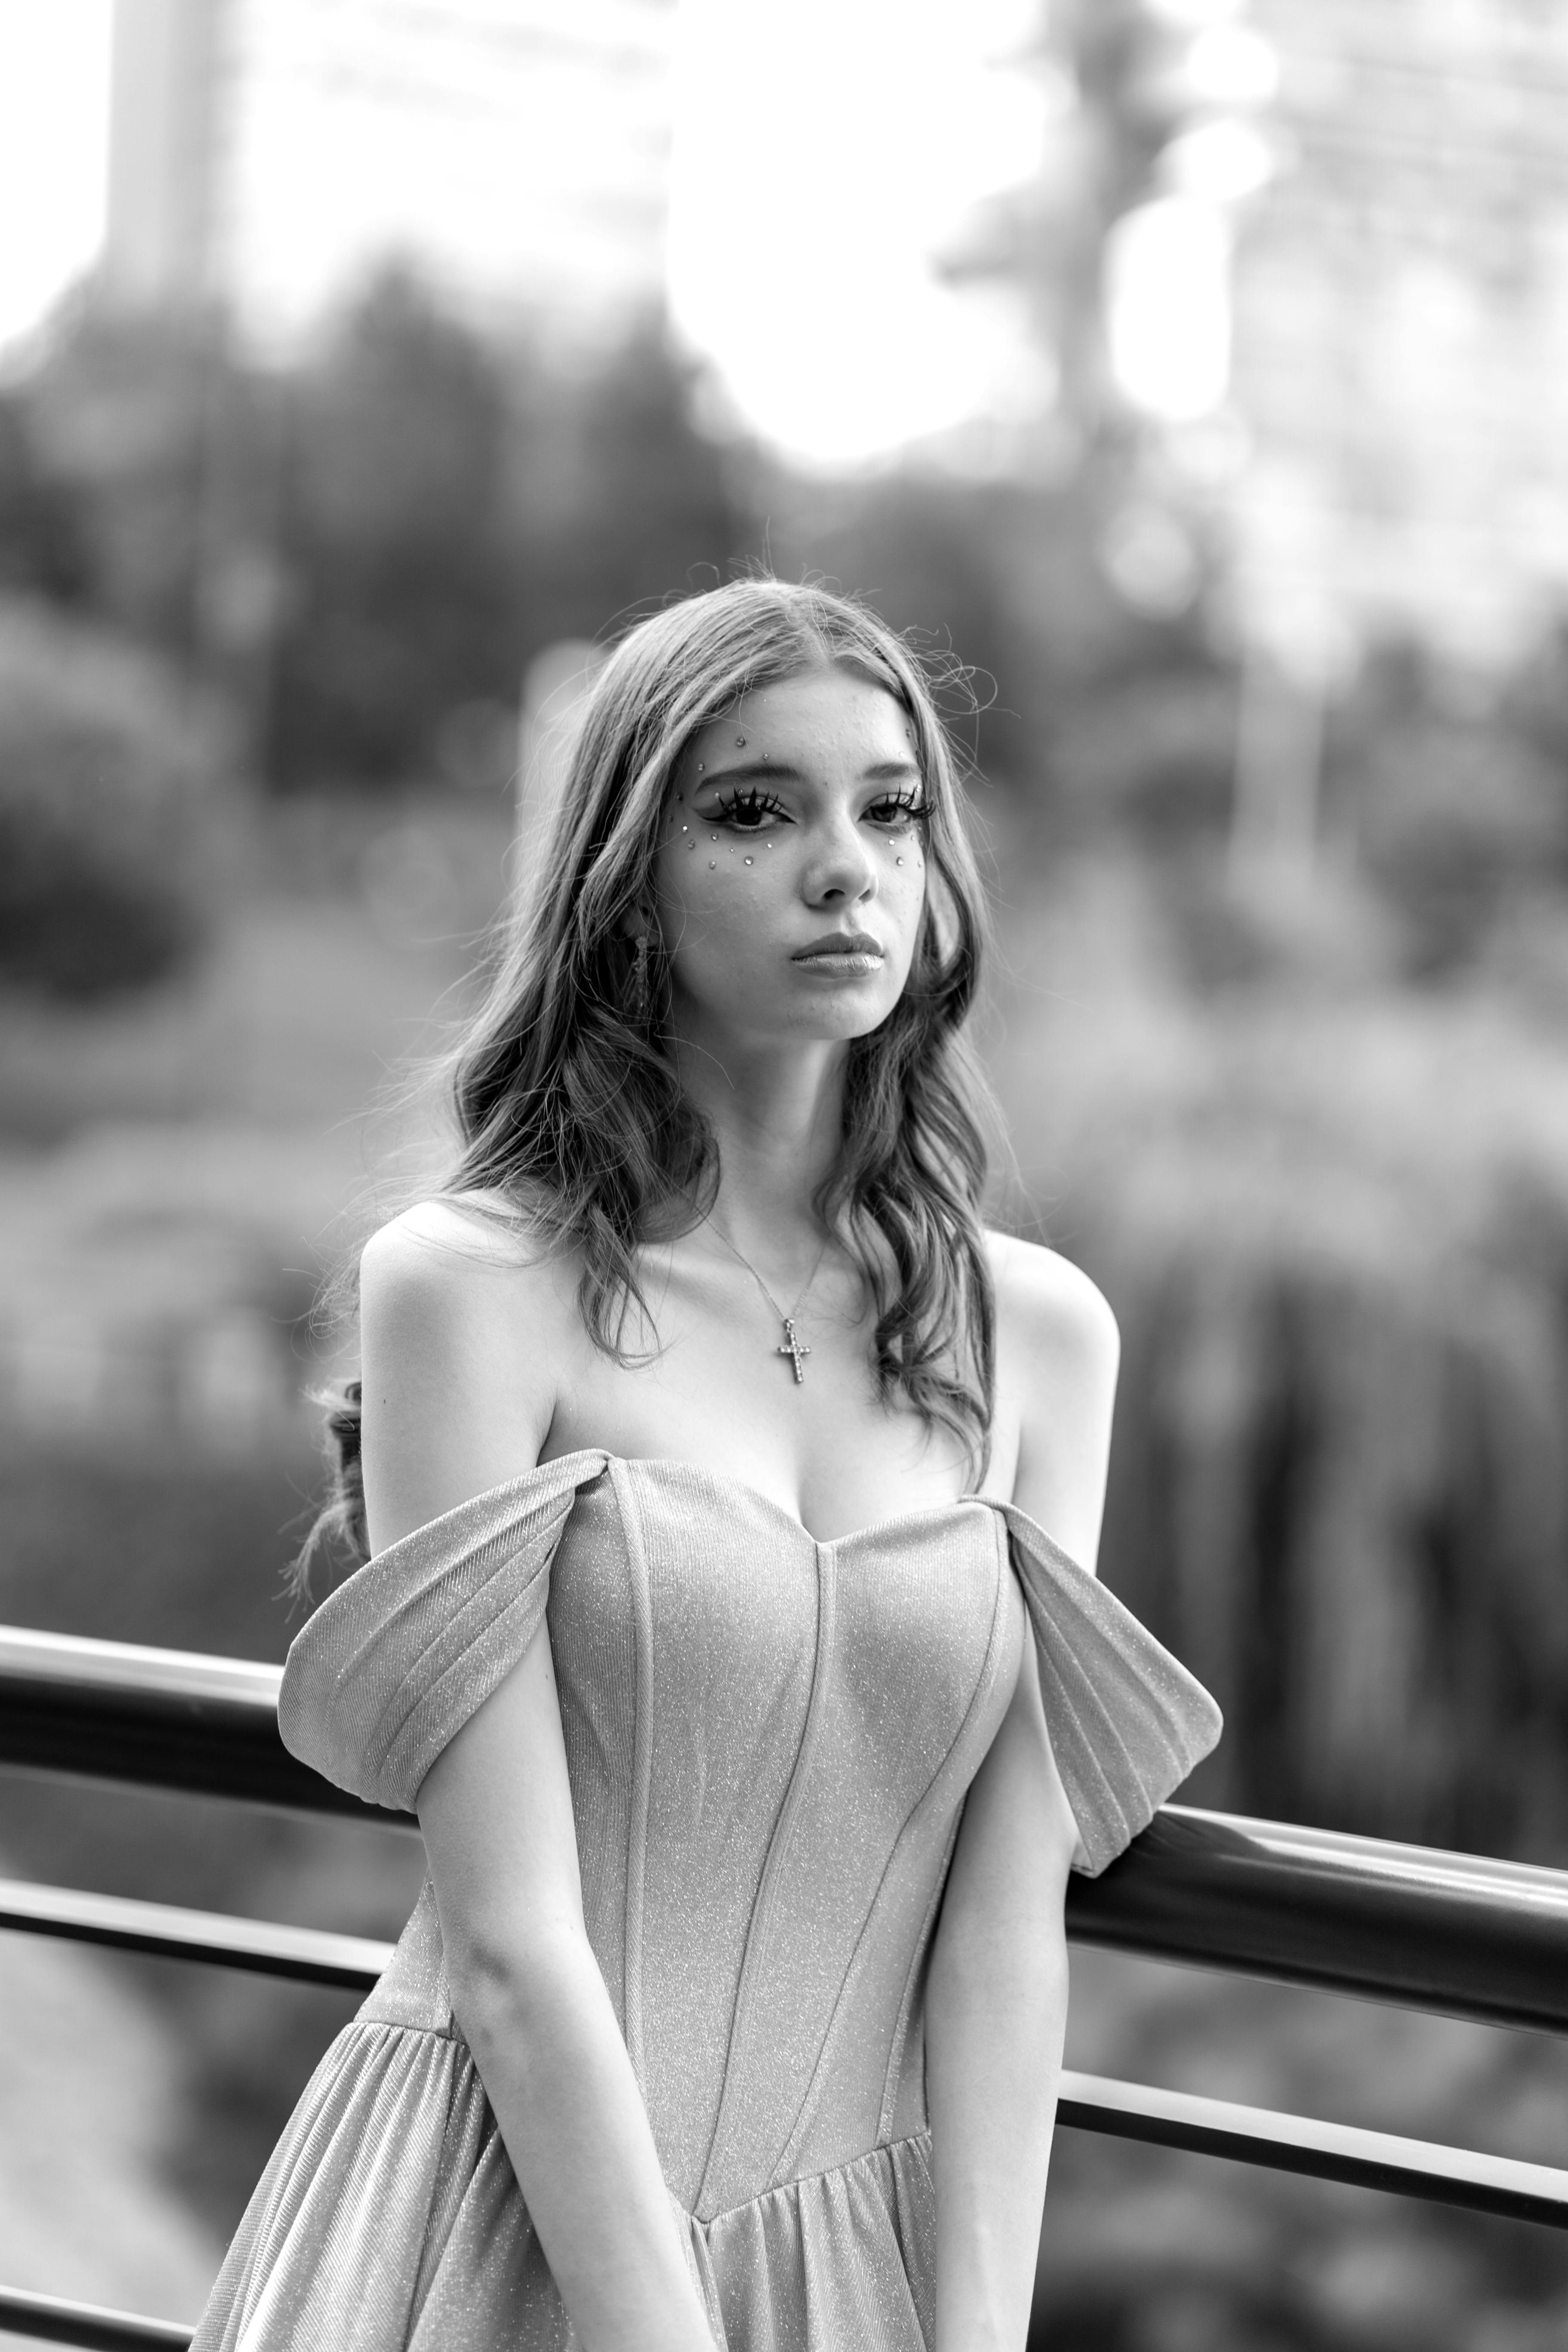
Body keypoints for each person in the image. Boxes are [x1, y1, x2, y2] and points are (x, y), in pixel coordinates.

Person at [192, 578, 1220, 2352]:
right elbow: (511, 1941)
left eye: (889, 809)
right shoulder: (470, 1288)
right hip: (479, 2215)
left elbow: (1004, 1925)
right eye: (756, 809)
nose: (848, 867)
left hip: (849, 2272)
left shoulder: (1044, 1335)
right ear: (628, 885)